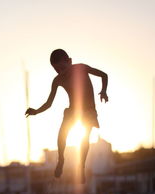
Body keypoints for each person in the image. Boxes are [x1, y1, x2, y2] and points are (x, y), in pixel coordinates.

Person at [25, 49, 108, 183]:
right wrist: (36, 111)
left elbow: (104, 75)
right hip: (73, 110)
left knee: (84, 138)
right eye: (56, 70)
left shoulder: (81, 68)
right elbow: (49, 103)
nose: (60, 72)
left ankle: (81, 166)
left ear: (69, 61)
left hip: (89, 111)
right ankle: (61, 159)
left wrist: (103, 91)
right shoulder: (57, 80)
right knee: (62, 134)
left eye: (62, 68)